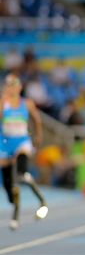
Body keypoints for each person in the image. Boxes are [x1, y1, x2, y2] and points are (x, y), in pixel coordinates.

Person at [0, 74, 47, 230]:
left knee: (21, 174)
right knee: (8, 184)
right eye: (9, 85)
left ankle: (37, 204)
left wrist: (38, 135)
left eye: (14, 84)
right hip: (5, 143)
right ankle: (15, 204)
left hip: (21, 142)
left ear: (20, 87)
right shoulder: (3, 103)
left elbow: (37, 119)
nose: (12, 87)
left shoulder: (27, 103)